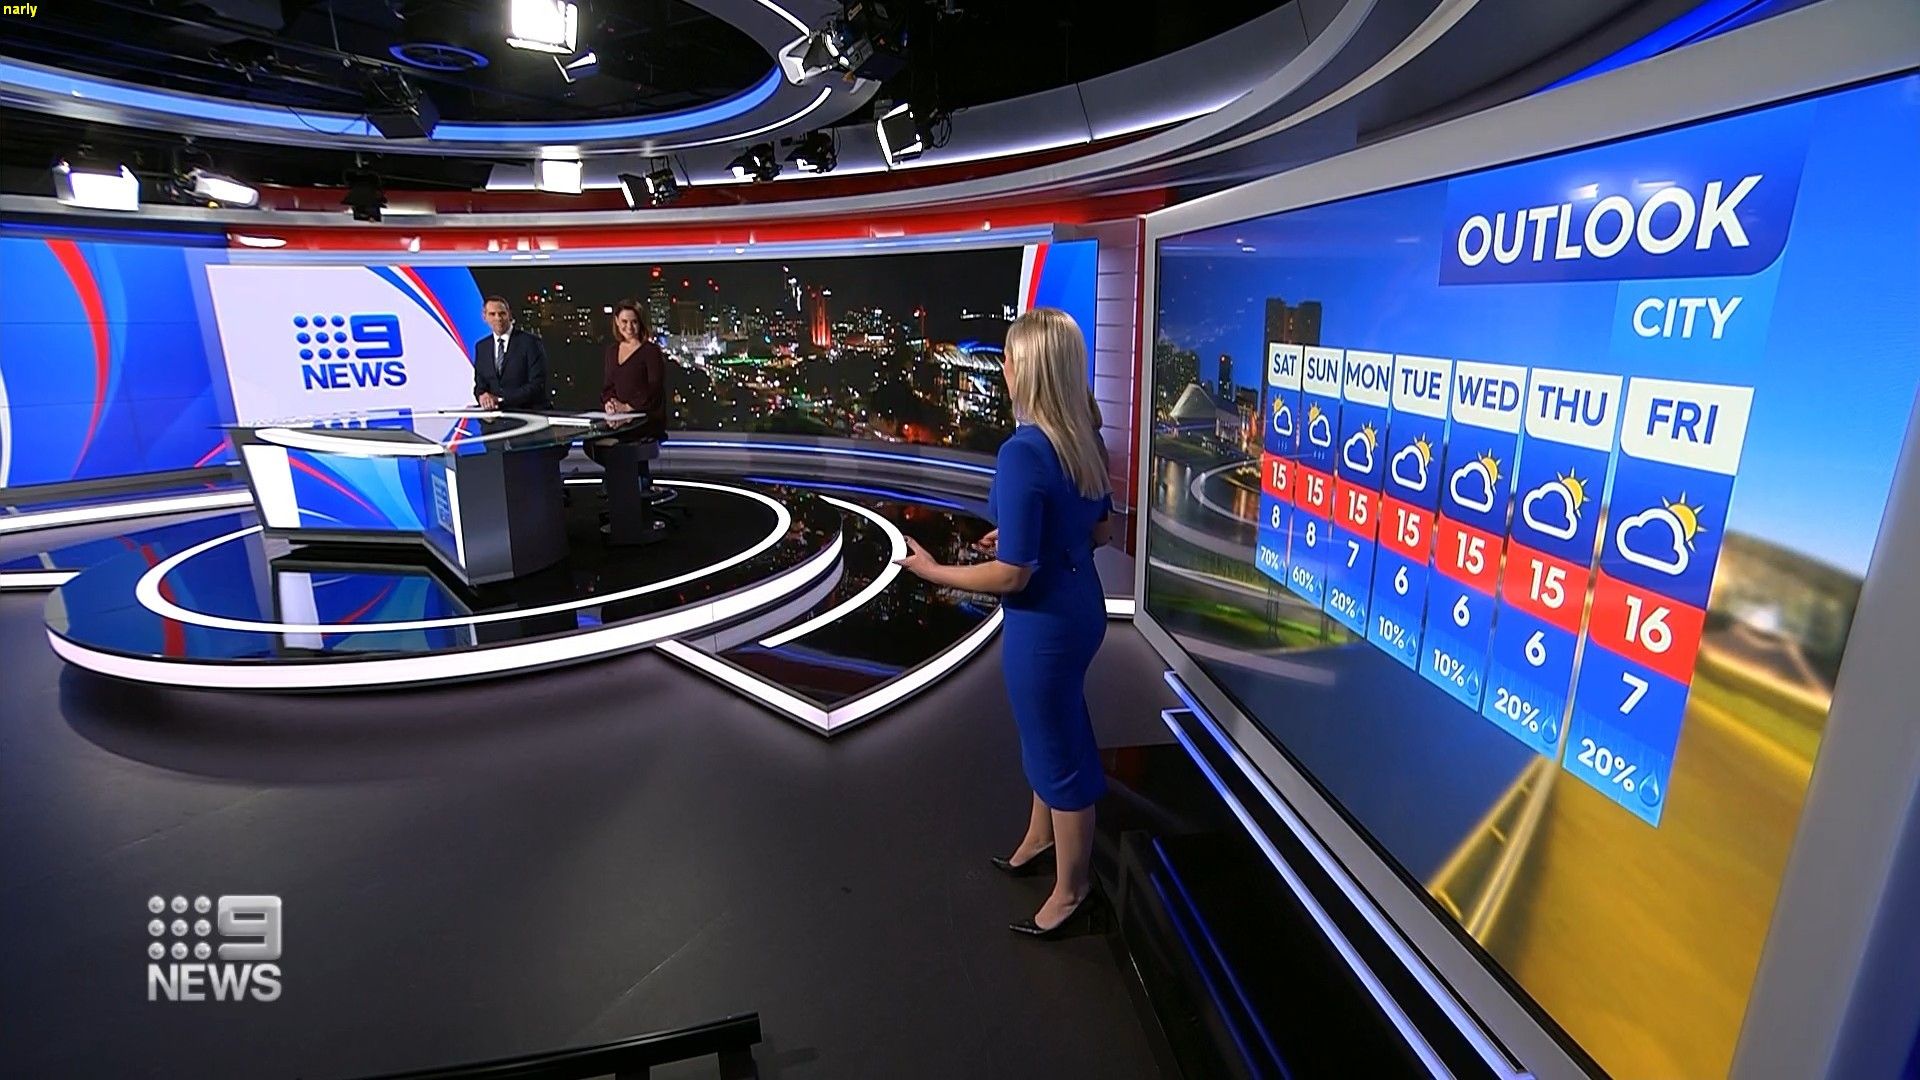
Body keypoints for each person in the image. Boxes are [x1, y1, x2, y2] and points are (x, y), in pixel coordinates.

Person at [894, 307, 1112, 939]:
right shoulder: (1083, 437)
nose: (1005, 367)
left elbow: (1013, 576)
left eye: (1011, 357)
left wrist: (934, 571)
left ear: (1031, 369)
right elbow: (1097, 530)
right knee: (1054, 727)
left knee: (1056, 745)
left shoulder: (1023, 451)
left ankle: (1072, 891)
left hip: (1043, 623)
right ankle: (1040, 838)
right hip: (1082, 606)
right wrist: (1022, 536)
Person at [600, 300, 667, 440]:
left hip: (645, 420)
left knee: (615, 445)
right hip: (619, 419)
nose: (629, 327)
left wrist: (627, 407)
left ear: (640, 323)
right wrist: (610, 404)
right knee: (592, 443)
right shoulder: (611, 351)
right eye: (624, 322)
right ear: (616, 321)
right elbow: (608, 387)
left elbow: (654, 390)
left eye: (634, 322)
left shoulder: (651, 351)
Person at [472, 296, 549, 410]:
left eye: (502, 313)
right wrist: (482, 396)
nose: (498, 318)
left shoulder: (530, 343)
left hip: (528, 414)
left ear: (509, 314)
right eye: (492, 314)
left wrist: (502, 400)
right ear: (484, 317)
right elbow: (480, 384)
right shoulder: (482, 347)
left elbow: (537, 384)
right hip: (494, 417)